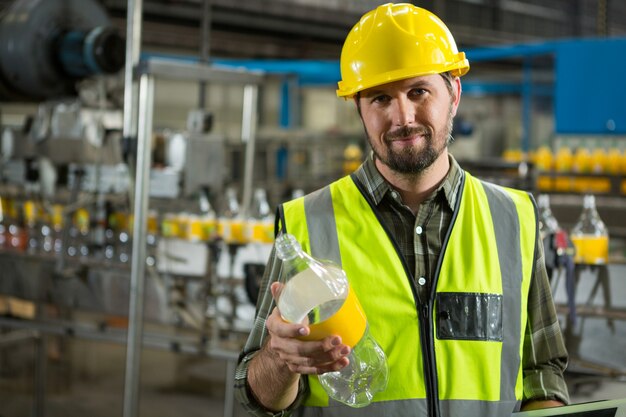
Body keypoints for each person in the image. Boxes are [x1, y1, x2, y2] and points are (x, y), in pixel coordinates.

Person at [235, 3, 569, 417]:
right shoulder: (307, 224)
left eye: (418, 91)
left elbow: (542, 373)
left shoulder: (513, 217)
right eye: (380, 98)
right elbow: (256, 397)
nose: (403, 117)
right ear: (359, 108)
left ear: (454, 93)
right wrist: (280, 361)